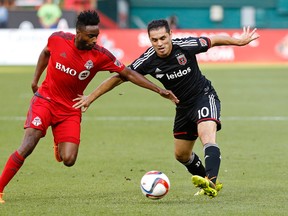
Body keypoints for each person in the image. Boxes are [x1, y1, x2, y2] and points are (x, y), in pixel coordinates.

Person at [0, 12, 178, 204]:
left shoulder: (100, 55)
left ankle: (58, 142)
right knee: (28, 145)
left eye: (97, 36)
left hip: (70, 109)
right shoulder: (58, 39)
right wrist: (35, 80)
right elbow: (45, 52)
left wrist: (159, 90)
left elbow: (128, 73)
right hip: (45, 100)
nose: (95, 40)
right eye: (90, 36)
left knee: (68, 159)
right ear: (78, 33)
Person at [72, 19, 259, 197]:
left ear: (170, 34)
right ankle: (206, 180)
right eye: (154, 40)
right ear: (150, 40)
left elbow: (213, 40)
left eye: (163, 38)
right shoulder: (149, 59)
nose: (160, 43)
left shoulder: (185, 46)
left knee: (207, 137)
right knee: (181, 155)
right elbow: (120, 76)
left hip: (203, 96)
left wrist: (239, 42)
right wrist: (91, 97)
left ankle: (211, 181)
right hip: (182, 107)